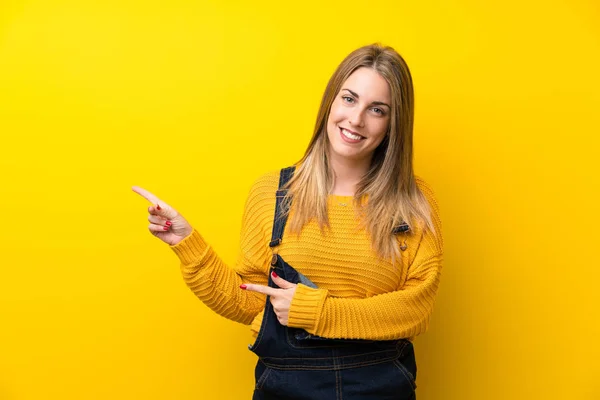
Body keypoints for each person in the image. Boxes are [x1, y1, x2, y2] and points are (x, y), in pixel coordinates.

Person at [133, 43, 443, 400]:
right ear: (330, 102)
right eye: (349, 99)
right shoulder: (273, 193)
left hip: (379, 387)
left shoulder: (413, 202)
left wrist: (317, 310)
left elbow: (416, 310)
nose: (356, 119)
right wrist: (187, 244)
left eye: (377, 109)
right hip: (286, 388)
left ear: (393, 124)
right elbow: (250, 302)